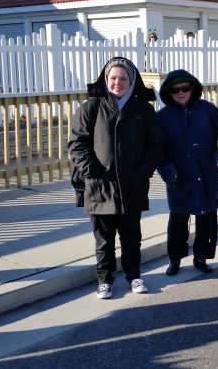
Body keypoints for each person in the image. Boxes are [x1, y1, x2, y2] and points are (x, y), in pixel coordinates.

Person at [68, 57, 165, 299]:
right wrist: (92, 172)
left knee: (132, 237)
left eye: (123, 78)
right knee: (104, 239)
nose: (117, 82)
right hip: (99, 186)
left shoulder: (143, 109)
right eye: (113, 78)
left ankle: (134, 275)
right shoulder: (91, 107)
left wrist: (142, 172)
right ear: (106, 80)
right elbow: (77, 143)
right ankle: (105, 279)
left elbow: (155, 145)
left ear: (132, 81)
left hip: (132, 185)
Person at [156, 69, 218, 276]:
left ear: (193, 88)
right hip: (179, 177)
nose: (181, 92)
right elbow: (157, 150)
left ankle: (201, 257)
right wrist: (167, 170)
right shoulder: (162, 117)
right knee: (178, 221)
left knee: (206, 219)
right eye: (175, 89)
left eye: (185, 87)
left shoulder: (208, 110)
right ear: (168, 91)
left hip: (207, 174)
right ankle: (174, 259)